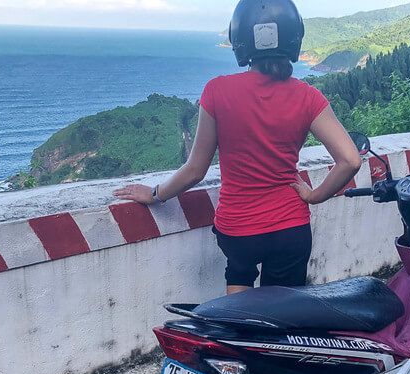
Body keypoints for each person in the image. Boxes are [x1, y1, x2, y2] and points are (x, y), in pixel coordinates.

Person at [114, 0, 362, 294]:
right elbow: (350, 159)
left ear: (240, 40)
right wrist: (314, 196)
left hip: (238, 230)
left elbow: (195, 170)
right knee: (283, 321)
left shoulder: (217, 91)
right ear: (295, 37)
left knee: (238, 313)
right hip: (291, 229)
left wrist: (155, 194)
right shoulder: (308, 97)